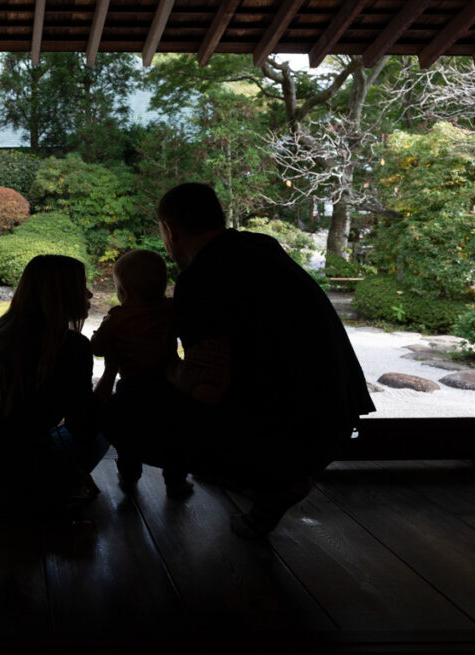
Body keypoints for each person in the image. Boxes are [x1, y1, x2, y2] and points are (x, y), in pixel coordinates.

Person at [113, 182, 375, 538]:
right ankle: (268, 477)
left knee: (123, 408)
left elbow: (208, 387)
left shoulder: (201, 279)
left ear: (169, 230)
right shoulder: (261, 247)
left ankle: (268, 474)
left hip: (286, 432)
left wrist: (162, 364)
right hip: (336, 419)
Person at [0, 254, 109, 516]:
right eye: (82, 286)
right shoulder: (72, 346)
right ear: (63, 294)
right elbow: (84, 429)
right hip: (21, 489)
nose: (90, 294)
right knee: (107, 421)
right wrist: (113, 368)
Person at [91, 249, 193, 497]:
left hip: (132, 388)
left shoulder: (117, 318)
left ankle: (128, 477)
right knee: (174, 434)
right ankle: (176, 482)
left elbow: (97, 348)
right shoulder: (171, 310)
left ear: (123, 291)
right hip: (169, 384)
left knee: (128, 435)